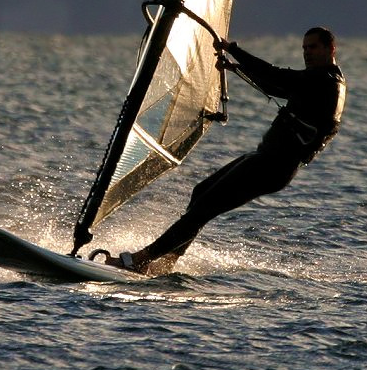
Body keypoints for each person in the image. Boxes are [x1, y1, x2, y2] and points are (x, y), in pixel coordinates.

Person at [103, 26, 347, 275]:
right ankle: (167, 262)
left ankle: (141, 260)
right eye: (304, 48)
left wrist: (233, 50)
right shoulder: (318, 81)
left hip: (273, 165)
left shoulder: (325, 82)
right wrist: (236, 68)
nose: (307, 52)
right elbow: (276, 88)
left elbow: (276, 76)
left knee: (204, 207)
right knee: (201, 194)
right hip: (267, 161)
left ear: (331, 49)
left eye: (313, 47)